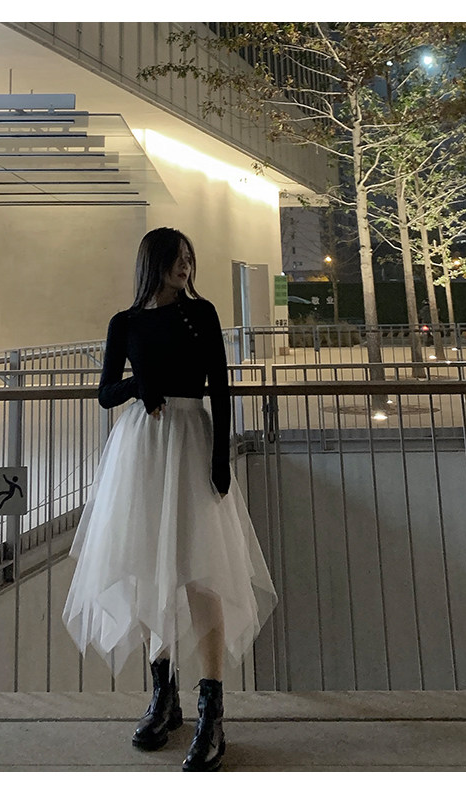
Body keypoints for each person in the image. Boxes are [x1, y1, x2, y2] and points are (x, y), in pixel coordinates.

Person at [62, 227, 277, 772]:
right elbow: (107, 392)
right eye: (177, 259)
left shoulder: (201, 314)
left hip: (191, 442)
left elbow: (219, 388)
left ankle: (212, 713)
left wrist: (220, 458)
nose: (185, 266)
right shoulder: (125, 322)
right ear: (154, 262)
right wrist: (141, 386)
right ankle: (164, 696)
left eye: (188, 259)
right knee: (146, 569)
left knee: (203, 574)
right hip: (141, 449)